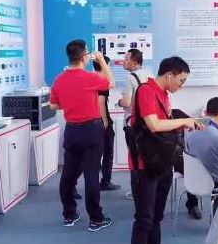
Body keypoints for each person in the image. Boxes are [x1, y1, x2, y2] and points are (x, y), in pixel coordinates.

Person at [128, 56, 202, 244]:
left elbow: (164, 126)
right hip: (144, 167)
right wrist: (185, 121)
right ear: (169, 74)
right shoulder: (146, 91)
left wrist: (180, 124)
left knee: (156, 217)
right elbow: (153, 125)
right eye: (181, 80)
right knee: (144, 220)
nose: (181, 85)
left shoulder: (163, 95)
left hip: (161, 163)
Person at [50, 40, 114, 232]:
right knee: (91, 174)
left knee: (68, 175)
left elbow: (53, 105)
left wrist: (71, 103)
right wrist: (101, 61)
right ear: (84, 57)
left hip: (72, 131)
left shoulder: (59, 80)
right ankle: (96, 219)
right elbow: (110, 82)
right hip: (91, 130)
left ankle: (69, 214)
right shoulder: (90, 78)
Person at [118, 49, 150, 200]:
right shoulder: (149, 74)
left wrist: (119, 102)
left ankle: (136, 192)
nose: (123, 61)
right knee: (146, 157)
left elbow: (126, 102)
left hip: (132, 124)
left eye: (126, 59)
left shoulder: (130, 77)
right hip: (147, 122)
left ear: (135, 62)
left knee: (134, 159)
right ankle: (147, 190)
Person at [92, 57, 120, 191]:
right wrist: (105, 122)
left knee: (93, 154)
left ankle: (92, 182)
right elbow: (101, 102)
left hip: (91, 121)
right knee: (108, 153)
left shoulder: (91, 78)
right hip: (101, 121)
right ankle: (105, 181)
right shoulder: (102, 80)